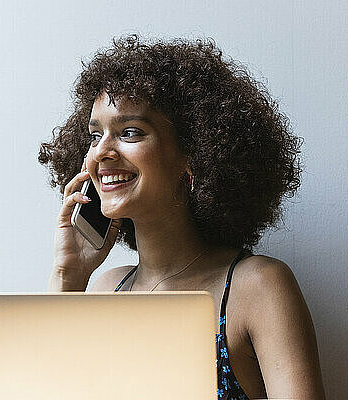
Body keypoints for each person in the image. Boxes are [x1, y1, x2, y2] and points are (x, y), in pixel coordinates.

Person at [38, 34, 325, 400]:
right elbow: (47, 387)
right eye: (95, 136)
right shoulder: (106, 289)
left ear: (194, 152)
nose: (101, 154)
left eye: (129, 132)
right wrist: (70, 274)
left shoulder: (258, 287)